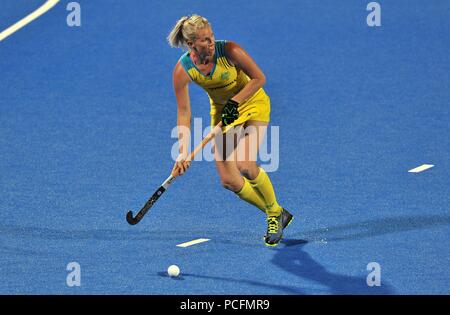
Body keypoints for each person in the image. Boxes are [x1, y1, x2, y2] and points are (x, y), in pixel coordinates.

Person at [167, 15, 293, 246]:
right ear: (191, 44)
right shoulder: (183, 70)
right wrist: (183, 152)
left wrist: (234, 102)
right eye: (205, 40)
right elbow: (184, 113)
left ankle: (274, 215)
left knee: (245, 164)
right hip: (223, 115)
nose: (211, 42)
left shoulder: (230, 51)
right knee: (229, 180)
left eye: (211, 36)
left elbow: (259, 78)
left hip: (252, 103)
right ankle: (276, 211)